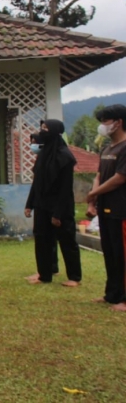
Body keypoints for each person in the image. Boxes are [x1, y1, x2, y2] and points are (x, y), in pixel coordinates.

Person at [24, 121, 81, 287]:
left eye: (46, 129)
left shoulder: (65, 157)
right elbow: (37, 183)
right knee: (42, 240)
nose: (42, 132)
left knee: (67, 241)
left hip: (60, 207)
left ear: (55, 132)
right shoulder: (43, 155)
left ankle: (74, 277)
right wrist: (30, 204)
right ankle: (44, 274)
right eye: (41, 129)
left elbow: (65, 189)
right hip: (42, 205)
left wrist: (58, 213)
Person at [86, 104, 126, 312]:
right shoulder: (106, 149)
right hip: (106, 209)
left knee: (123, 253)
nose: (102, 126)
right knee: (110, 253)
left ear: (118, 123)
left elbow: (120, 178)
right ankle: (112, 294)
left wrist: (94, 193)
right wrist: (93, 200)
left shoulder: (125, 147)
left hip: (122, 209)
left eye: (105, 121)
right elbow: (99, 175)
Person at [24, 132, 59, 281]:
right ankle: (48, 268)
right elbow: (35, 186)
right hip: (39, 204)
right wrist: (29, 205)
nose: (33, 145)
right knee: (45, 238)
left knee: (47, 238)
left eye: (35, 142)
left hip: (49, 205)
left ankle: (47, 270)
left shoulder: (54, 160)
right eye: (31, 142)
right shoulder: (40, 160)